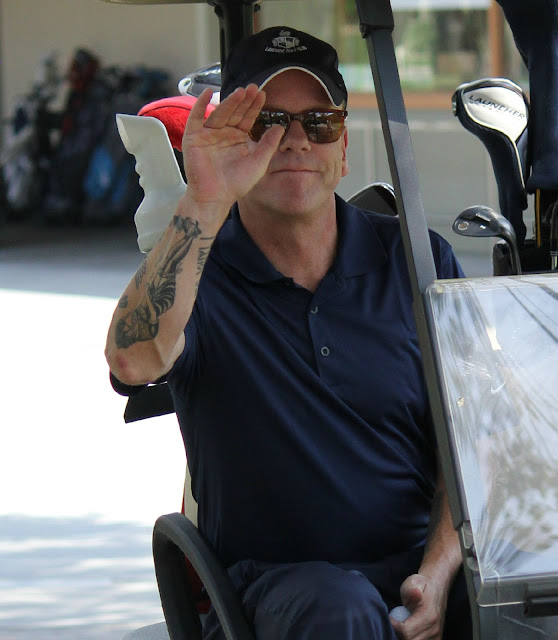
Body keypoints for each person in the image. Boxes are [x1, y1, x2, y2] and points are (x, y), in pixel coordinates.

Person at [106, 26, 471, 640]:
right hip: (278, 591)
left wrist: (437, 572)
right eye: (267, 122)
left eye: (318, 123)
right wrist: (206, 197)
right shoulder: (199, 266)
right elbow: (134, 359)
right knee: (341, 610)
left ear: (344, 146)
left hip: (425, 568)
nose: (294, 140)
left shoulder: (414, 258)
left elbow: (473, 445)